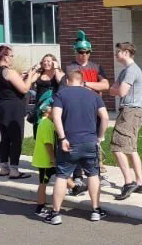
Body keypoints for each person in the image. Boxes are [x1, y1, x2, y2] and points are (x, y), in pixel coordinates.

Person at [46, 70, 110, 225]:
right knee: (93, 174)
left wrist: (62, 138)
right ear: (82, 82)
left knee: (62, 176)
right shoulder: (93, 95)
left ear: (67, 81)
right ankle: (96, 210)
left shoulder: (60, 95)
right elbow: (105, 117)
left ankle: (55, 213)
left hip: (69, 141)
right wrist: (99, 137)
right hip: (89, 141)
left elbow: (56, 117)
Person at [65, 31, 110, 194]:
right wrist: (93, 86)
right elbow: (68, 87)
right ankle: (77, 175)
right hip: (77, 110)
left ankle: (97, 172)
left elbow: (105, 85)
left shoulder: (96, 67)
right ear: (75, 51)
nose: (84, 55)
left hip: (94, 108)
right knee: (77, 141)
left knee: (95, 142)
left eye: (87, 52)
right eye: (81, 51)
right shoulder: (70, 68)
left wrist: (85, 84)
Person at [0, 45, 37, 179]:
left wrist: (22, 76)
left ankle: (4, 168)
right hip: (12, 111)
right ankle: (14, 171)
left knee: (4, 139)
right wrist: (30, 75)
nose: (12, 58)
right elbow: (24, 89)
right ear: (4, 57)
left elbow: (7, 86)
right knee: (16, 140)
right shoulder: (9, 72)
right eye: (11, 56)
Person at [110, 43, 142, 201]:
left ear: (125, 52)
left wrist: (115, 90)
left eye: (118, 51)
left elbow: (120, 91)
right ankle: (139, 183)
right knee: (131, 149)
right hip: (131, 112)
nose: (115, 54)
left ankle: (129, 182)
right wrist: (115, 90)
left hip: (129, 112)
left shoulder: (131, 71)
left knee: (117, 147)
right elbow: (113, 89)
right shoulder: (125, 71)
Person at [28, 54, 65, 138]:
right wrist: (35, 69)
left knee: (51, 131)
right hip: (39, 105)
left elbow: (61, 82)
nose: (46, 63)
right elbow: (30, 80)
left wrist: (56, 68)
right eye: (44, 61)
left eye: (48, 61)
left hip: (52, 105)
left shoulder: (58, 73)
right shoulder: (40, 73)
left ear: (54, 62)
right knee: (39, 130)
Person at [32, 93, 56, 217]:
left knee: (60, 174)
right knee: (43, 183)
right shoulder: (47, 124)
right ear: (47, 110)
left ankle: (74, 188)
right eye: (53, 108)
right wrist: (52, 159)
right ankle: (40, 208)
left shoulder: (43, 122)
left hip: (44, 160)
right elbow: (48, 144)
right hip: (46, 160)